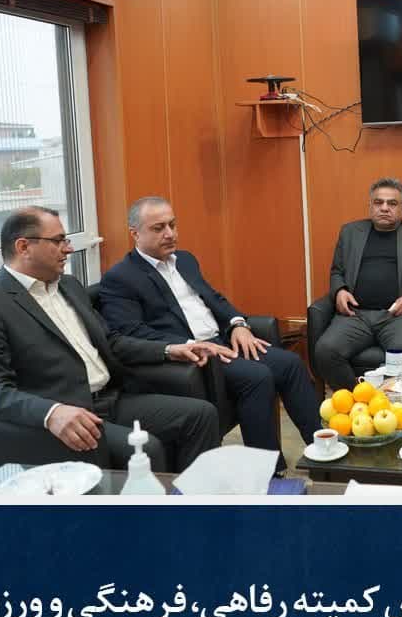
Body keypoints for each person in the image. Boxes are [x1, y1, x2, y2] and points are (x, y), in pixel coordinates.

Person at [0, 206, 221, 474]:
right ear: (24, 247)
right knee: (146, 448)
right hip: (70, 414)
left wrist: (169, 349)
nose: (68, 249)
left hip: (112, 399)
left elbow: (111, 342)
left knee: (202, 415)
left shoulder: (69, 285)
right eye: (58, 240)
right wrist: (52, 413)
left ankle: (191, 496)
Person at [97, 197, 321, 464]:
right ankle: (271, 470)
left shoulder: (185, 260)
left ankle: (323, 448)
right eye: (158, 228)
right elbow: (132, 333)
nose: (170, 234)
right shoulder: (120, 278)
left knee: (291, 364)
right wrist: (192, 345)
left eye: (172, 225)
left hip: (223, 340)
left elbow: (214, 299)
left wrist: (238, 324)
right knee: (257, 376)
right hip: (196, 355)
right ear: (135, 233)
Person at [313, 178, 402, 389]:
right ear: (370, 205)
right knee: (325, 350)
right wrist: (339, 291)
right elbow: (337, 271)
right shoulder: (350, 232)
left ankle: (386, 403)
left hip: (396, 316)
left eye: (392, 203)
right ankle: (358, 398)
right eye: (378, 202)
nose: (384, 208)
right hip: (356, 315)